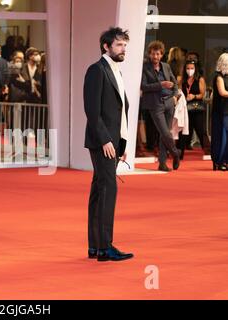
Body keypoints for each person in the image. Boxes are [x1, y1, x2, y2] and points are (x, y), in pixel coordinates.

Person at [83, 27, 134, 262]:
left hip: (113, 141)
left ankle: (95, 246)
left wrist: (121, 143)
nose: (124, 49)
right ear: (106, 46)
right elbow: (92, 111)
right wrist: (105, 139)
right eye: (119, 45)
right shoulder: (97, 70)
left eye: (125, 45)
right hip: (103, 141)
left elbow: (120, 110)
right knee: (108, 190)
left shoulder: (116, 71)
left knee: (99, 190)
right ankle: (105, 247)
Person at [141, 41, 181, 172]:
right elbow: (144, 86)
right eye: (153, 54)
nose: (155, 56)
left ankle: (162, 163)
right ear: (149, 54)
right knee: (164, 132)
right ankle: (175, 153)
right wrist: (161, 84)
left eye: (158, 54)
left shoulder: (166, 66)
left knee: (166, 134)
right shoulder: (144, 67)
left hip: (169, 102)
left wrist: (175, 96)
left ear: (162, 54)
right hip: (155, 104)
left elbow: (175, 83)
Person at [177, 60, 209, 159]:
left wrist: (194, 96)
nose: (190, 70)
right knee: (183, 131)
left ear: (195, 69)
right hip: (184, 108)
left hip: (196, 108)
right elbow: (177, 91)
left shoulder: (200, 79)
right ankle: (179, 153)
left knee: (200, 130)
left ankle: (209, 151)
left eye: (192, 68)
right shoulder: (181, 79)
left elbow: (202, 94)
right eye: (188, 68)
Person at [211, 53, 228, 171]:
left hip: (226, 110)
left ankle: (225, 160)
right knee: (222, 137)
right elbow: (222, 92)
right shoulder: (219, 77)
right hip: (221, 111)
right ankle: (219, 160)